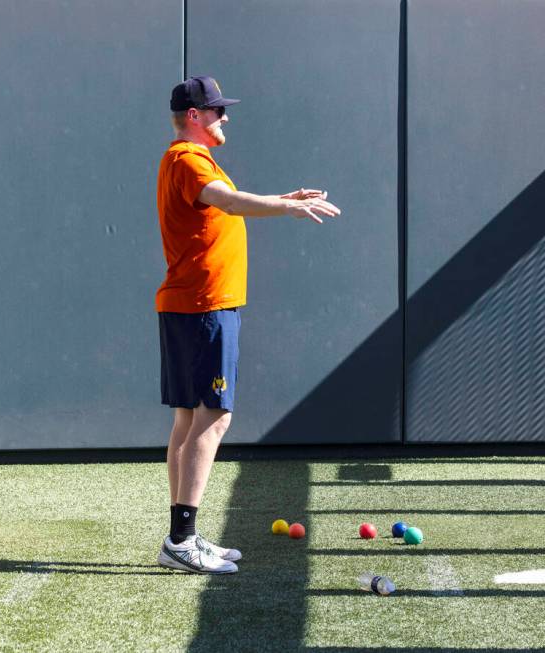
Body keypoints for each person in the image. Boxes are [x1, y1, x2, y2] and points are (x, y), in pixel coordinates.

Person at [154, 76, 340, 574]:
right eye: (217, 111)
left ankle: (182, 536)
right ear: (194, 116)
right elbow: (232, 203)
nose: (225, 118)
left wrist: (283, 195)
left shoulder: (192, 163)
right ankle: (181, 539)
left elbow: (223, 208)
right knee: (213, 417)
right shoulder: (188, 160)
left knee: (190, 419)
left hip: (194, 305)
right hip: (203, 306)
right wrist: (288, 207)